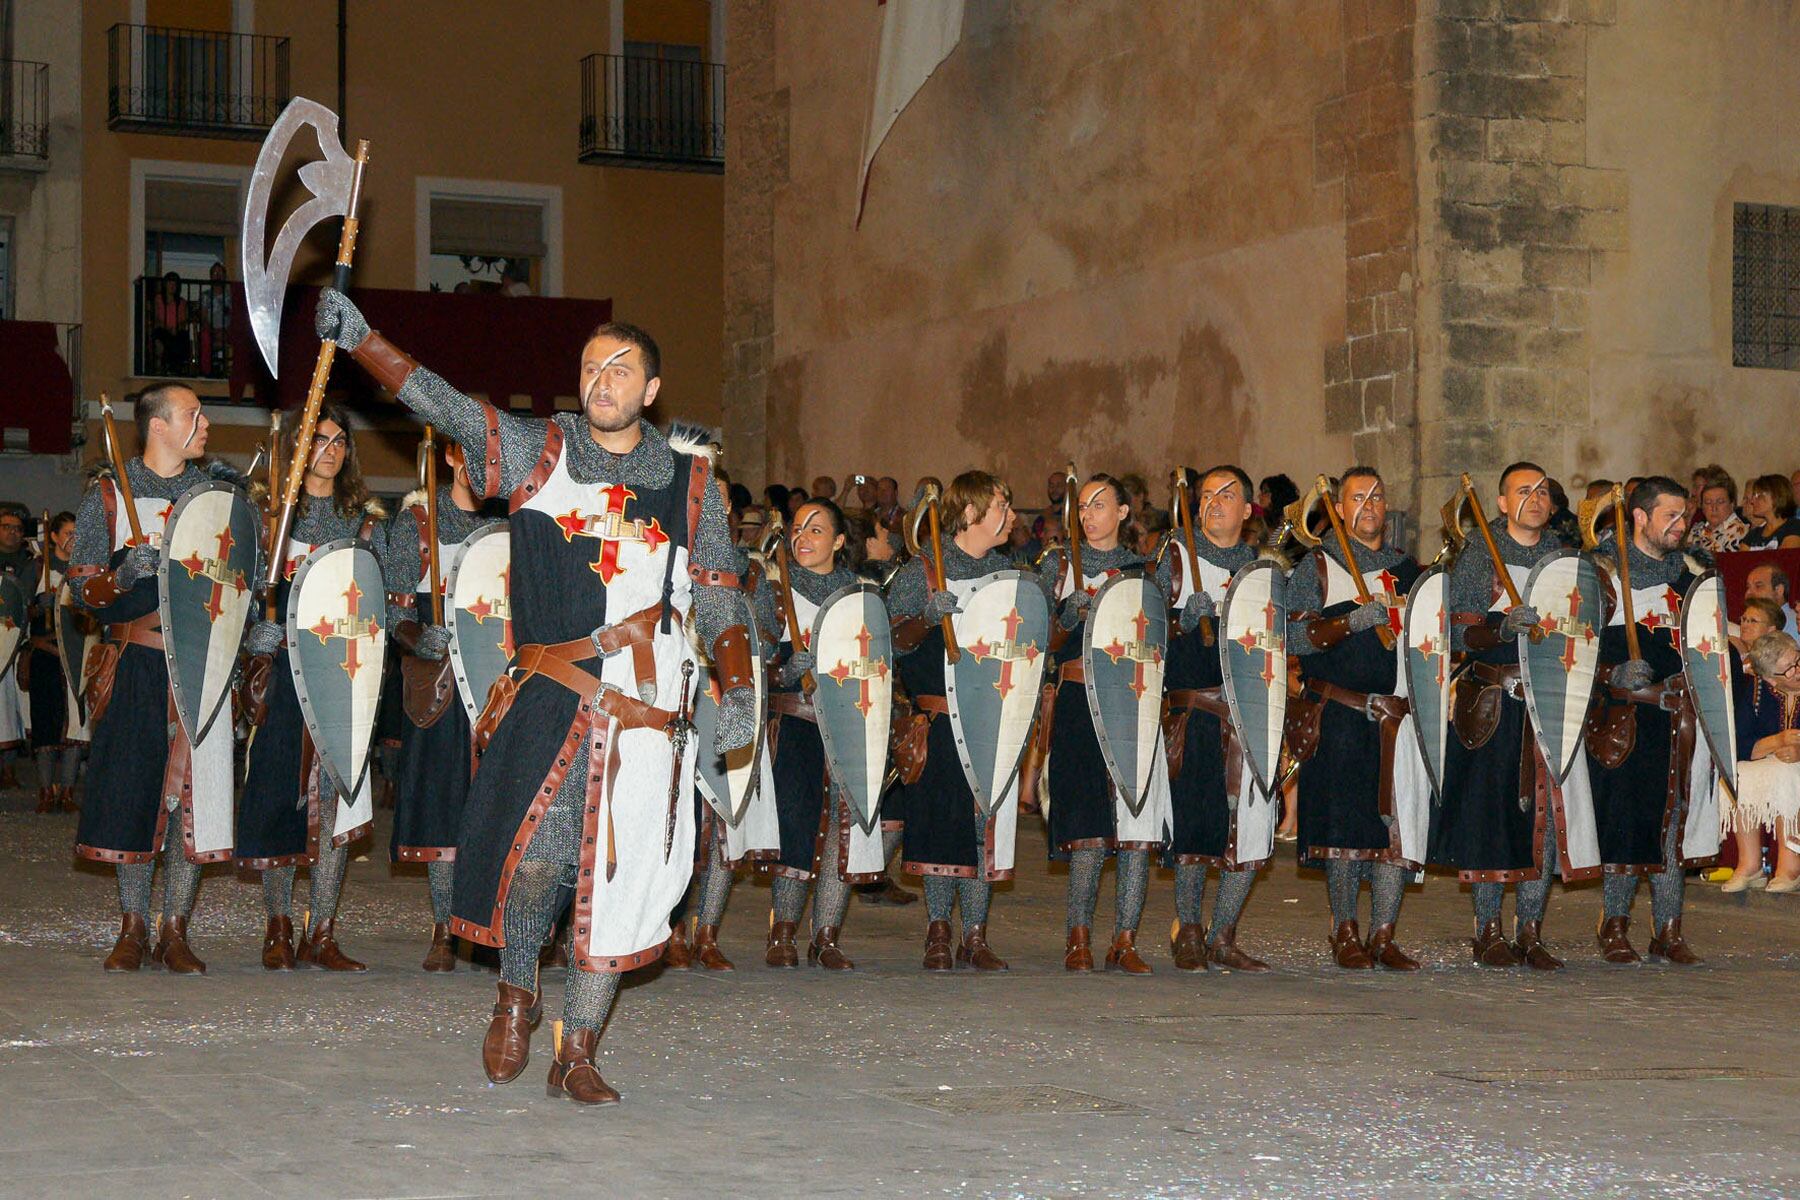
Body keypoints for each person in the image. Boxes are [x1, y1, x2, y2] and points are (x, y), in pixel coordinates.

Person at [317, 288, 753, 1107]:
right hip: (554, 694)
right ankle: (518, 991)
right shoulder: (539, 452)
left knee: (621, 887)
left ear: (652, 390)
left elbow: (721, 596)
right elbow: (447, 406)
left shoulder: (694, 486)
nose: (603, 379)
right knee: (541, 866)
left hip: (648, 712)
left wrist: (739, 689)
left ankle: (577, 1050)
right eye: (591, 367)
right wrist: (366, 343)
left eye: (621, 368)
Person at [69, 384, 232, 974]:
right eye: (194, 415)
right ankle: (133, 926)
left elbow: (238, 584)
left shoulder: (216, 499)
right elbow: (81, 590)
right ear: (158, 426)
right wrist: (119, 574)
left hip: (202, 665)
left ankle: (176, 929)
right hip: (135, 661)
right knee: (133, 791)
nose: (206, 423)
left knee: (190, 798)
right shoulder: (110, 500)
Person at [1428, 463, 1599, 969]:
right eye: (1523, 491)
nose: (1535, 498)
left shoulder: (1565, 560)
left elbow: (1584, 629)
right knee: (1493, 818)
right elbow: (1457, 633)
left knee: (1544, 821)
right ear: (1502, 502)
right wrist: (1501, 629)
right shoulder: (1482, 554)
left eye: (1543, 491)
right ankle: (1488, 931)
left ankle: (1530, 930)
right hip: (1494, 705)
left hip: (1551, 704)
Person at [238, 406, 386, 973]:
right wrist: (257, 629)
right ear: (297, 445)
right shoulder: (266, 516)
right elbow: (238, 593)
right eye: (319, 439)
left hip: (345, 676)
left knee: (335, 804)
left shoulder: (366, 522)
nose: (331, 449)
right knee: (282, 795)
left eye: (340, 440)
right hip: (280, 674)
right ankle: (278, 924)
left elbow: (382, 600)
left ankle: (320, 929)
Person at [1285, 467, 1425, 970]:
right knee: (1344, 833)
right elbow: (1295, 638)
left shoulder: (1407, 569)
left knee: (1396, 827)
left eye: (1378, 496)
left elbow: (1430, 638)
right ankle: (1344, 930)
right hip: (1342, 714)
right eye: (1357, 497)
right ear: (1339, 509)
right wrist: (1348, 622)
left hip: (1397, 715)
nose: (1370, 504)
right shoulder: (1318, 567)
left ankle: (1383, 934)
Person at [1037, 475, 1171, 974]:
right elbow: (1039, 643)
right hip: (1076, 699)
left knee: (1135, 825)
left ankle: (1126, 940)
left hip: (1134, 701)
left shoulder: (1147, 572)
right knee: (1087, 829)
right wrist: (1065, 618)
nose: (1089, 513)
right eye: (1083, 505)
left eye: (1100, 504)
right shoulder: (1058, 565)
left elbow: (1161, 640)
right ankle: (1078, 939)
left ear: (1122, 512)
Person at [887, 470, 1020, 971]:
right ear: (968, 513)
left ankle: (976, 936)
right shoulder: (922, 571)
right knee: (943, 826)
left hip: (993, 718)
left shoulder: (1010, 576)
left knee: (984, 824)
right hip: (938, 720)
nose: (1009, 517)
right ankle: (938, 932)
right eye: (1000, 507)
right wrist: (923, 617)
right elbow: (892, 644)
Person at [379, 440, 505, 970]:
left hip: (501, 681)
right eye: (471, 453)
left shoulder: (516, 524)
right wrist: (412, 634)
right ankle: (444, 926)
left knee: (500, 808)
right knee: (443, 804)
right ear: (452, 458)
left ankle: (494, 924)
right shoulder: (418, 523)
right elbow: (386, 604)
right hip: (442, 683)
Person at [748, 499, 886, 969]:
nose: (803, 537)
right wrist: (784, 669)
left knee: (843, 829)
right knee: (797, 823)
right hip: (796, 720)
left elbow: (882, 664)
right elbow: (753, 660)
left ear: (840, 541)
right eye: (798, 529)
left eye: (816, 529)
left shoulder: (861, 596)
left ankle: (826, 935)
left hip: (851, 723)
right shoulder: (773, 588)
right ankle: (782, 931)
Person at [1589, 476, 1716, 965]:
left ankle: (1668, 929)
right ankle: (1614, 925)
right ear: (1639, 517)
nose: (1681, 526)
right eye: (1671, 516)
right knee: (1628, 822)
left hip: (1681, 716)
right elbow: (1571, 649)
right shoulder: (1603, 573)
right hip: (1628, 716)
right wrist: (1611, 670)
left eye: (1685, 516)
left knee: (1675, 821)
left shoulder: (1694, 575)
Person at [1160, 465, 1272, 971]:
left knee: (1253, 824)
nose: (1214, 502)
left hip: (1250, 712)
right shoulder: (1176, 559)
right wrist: (1179, 620)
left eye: (1227, 495)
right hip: (1196, 710)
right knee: (1195, 826)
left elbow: (1279, 641)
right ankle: (1189, 930)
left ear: (1248, 511)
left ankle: (1224, 933)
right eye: (1206, 495)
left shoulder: (1261, 570)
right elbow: (1140, 626)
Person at [1722, 613, 1796, 891]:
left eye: (1797, 660)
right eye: (1788, 668)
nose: (1798, 669)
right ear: (1770, 680)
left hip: (1793, 768)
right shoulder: (1755, 692)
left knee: (1787, 771)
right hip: (1774, 762)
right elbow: (1738, 744)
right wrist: (1777, 741)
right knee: (1738, 773)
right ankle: (1750, 865)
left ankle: (1790, 866)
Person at [27, 512, 89, 813]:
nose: (73, 537)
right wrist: (36, 609)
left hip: (76, 656)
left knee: (76, 725)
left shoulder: (84, 571)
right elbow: (14, 610)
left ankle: (66, 791)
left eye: (78, 532)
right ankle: (45, 791)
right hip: (45, 658)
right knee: (45, 722)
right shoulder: (38, 568)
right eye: (67, 532)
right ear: (53, 536)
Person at [1741, 474, 1800, 550]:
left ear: (1776, 497)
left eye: (1759, 495)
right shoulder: (1753, 534)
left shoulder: (1794, 527)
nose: (1752, 501)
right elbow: (1741, 559)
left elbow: (1787, 557)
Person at [1745, 563, 1799, 639]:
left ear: (1779, 590)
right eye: (1748, 587)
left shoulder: (1796, 624)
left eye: (1758, 586)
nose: (1748, 593)